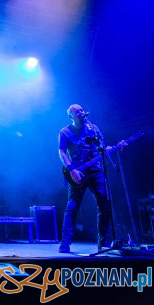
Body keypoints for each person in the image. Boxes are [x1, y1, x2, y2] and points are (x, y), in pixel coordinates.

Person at [58, 104, 127, 253]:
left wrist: (116, 147)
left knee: (104, 204)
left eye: (82, 110)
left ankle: (104, 242)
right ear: (71, 116)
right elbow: (62, 152)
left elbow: (103, 148)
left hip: (96, 171)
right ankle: (65, 243)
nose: (81, 112)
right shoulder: (65, 132)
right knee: (72, 207)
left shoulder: (93, 128)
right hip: (78, 173)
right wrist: (72, 170)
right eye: (77, 111)